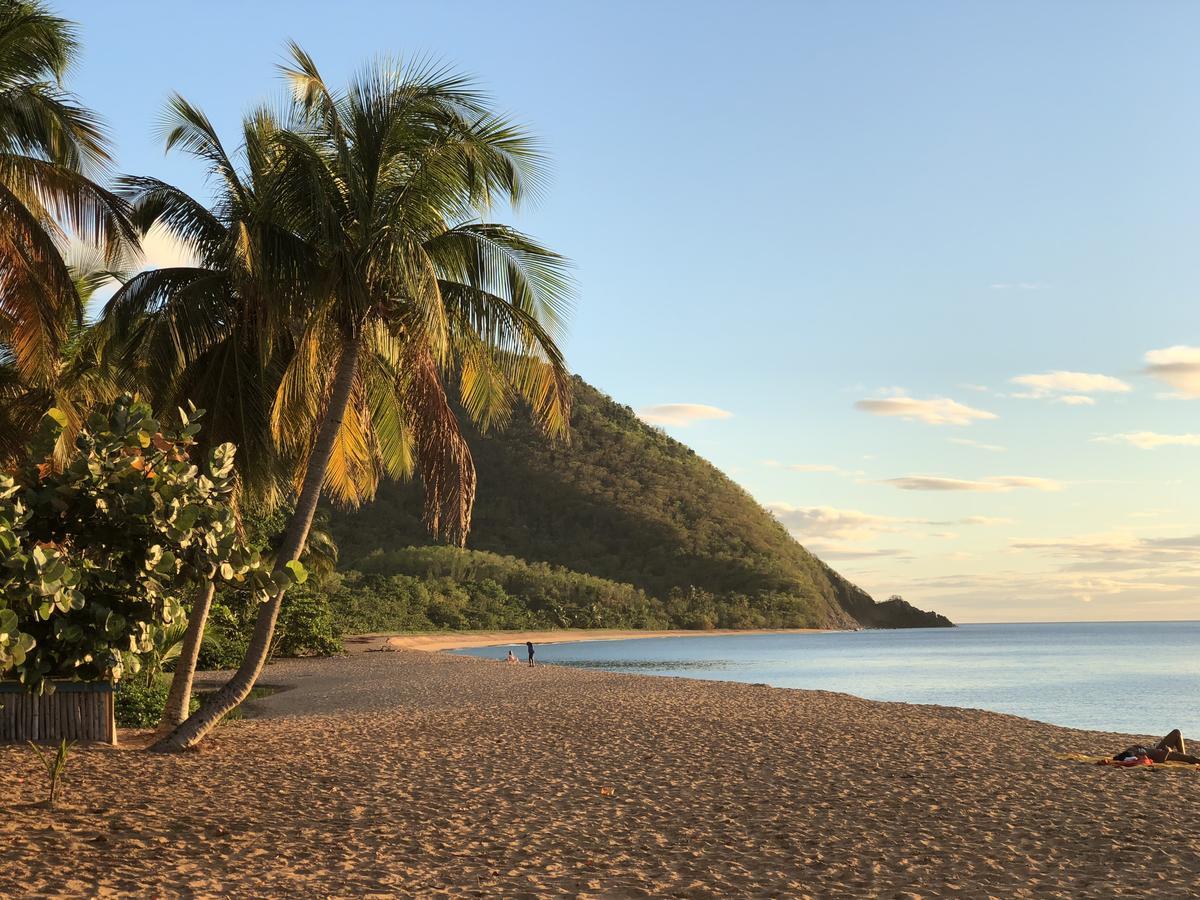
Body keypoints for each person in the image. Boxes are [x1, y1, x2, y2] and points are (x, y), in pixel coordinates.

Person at [1113, 729, 1200, 764]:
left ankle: (1182, 756)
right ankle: (1183, 757)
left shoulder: (1132, 750)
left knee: (1177, 732)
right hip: (1163, 752)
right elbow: (1159, 760)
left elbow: (1123, 756)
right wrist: (1168, 751)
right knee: (1191, 758)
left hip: (1158, 749)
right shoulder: (1142, 756)